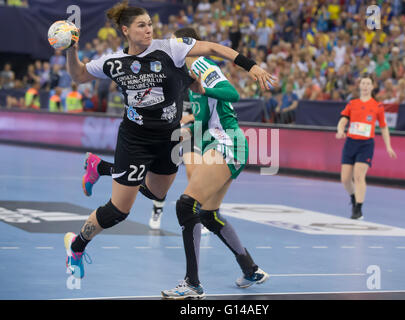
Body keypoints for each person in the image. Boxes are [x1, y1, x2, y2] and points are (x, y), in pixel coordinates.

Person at [63, 0, 275, 283]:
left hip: (168, 138)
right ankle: (76, 247)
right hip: (135, 140)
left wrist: (251, 66)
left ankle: (100, 167)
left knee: (157, 194)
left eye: (150, 23)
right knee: (118, 211)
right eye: (142, 25)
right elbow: (77, 75)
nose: (149, 29)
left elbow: (212, 47)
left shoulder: (170, 48)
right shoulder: (113, 62)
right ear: (126, 30)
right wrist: (71, 49)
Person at [161, 27, 269, 299]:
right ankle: (251, 269)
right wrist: (180, 134)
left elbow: (231, 94)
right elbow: (200, 124)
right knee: (208, 214)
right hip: (221, 143)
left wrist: (202, 86)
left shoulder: (200, 63)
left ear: (186, 44)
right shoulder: (187, 76)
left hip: (228, 142)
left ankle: (192, 284)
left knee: (186, 205)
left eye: (175, 42)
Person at [336, 74, 397, 220]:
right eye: (363, 83)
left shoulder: (377, 106)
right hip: (350, 143)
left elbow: (383, 127)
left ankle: (358, 209)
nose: (365, 86)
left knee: (358, 176)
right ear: (359, 86)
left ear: (372, 86)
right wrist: (340, 130)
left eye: (368, 84)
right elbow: (343, 120)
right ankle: (353, 197)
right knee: (345, 179)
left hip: (366, 144)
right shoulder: (352, 103)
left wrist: (388, 146)